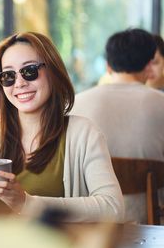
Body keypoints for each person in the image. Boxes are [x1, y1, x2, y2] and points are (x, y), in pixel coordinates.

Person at [0, 32, 124, 222]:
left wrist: (26, 203)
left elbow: (113, 208)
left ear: (52, 72)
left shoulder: (83, 134)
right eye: (8, 76)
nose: (20, 83)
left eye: (30, 70)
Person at [71, 28, 164, 223]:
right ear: (149, 66)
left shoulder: (75, 105)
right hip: (151, 221)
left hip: (91, 221)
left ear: (108, 66)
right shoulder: (161, 102)